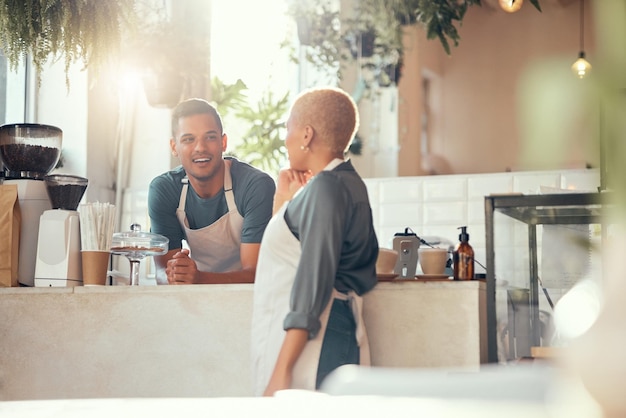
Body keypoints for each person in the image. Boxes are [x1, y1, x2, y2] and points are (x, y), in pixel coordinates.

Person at [250, 87, 379, 396]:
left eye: (289, 128)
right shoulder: (342, 183)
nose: (285, 138)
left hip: (311, 348)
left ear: (307, 134)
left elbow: (313, 284)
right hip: (324, 338)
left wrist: (282, 370)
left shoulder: (327, 189)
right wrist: (284, 201)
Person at [148, 98, 275, 284]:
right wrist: (176, 275)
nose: (200, 148)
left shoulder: (255, 186)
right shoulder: (165, 190)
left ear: (223, 142)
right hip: (196, 300)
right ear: (174, 147)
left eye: (210, 137)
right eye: (188, 139)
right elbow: (162, 272)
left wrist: (199, 278)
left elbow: (256, 274)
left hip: (249, 300)